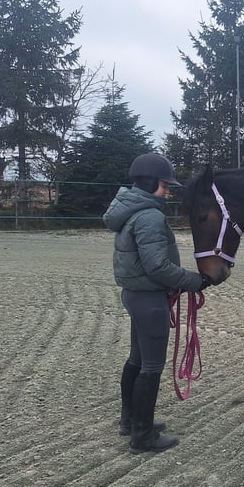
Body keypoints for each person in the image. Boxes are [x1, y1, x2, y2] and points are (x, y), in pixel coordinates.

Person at [103, 153, 210, 454]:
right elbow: (157, 266)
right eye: (164, 185)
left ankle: (131, 421)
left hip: (135, 295)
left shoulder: (129, 210)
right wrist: (195, 281)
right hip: (149, 299)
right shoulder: (149, 215)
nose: (167, 191)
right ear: (151, 183)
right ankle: (143, 436)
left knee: (136, 360)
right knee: (151, 366)